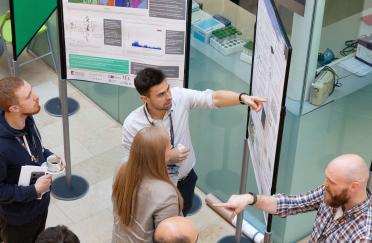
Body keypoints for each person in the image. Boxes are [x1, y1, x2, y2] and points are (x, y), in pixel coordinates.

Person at [122, 68, 265, 215]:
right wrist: (167, 157)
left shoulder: (179, 97)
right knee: (161, 230)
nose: (169, 96)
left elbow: (212, 98)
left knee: (182, 217)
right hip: (156, 187)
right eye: (161, 94)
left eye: (168, 89)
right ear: (145, 99)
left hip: (185, 180)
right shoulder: (133, 124)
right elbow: (131, 166)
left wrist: (242, 98)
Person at [215, 154, 372, 242]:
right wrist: (250, 198)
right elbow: (291, 203)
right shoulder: (331, 194)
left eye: (331, 182)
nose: (325, 185)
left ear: (354, 187)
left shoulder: (364, 235)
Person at [0, 77, 65, 243]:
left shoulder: (27, 119)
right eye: (28, 96)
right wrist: (34, 190)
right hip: (18, 219)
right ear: (14, 108)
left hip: (40, 206)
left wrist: (49, 156)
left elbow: (37, 149)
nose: (36, 96)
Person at [112, 126, 183, 242]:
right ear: (160, 155)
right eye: (169, 146)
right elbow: (166, 238)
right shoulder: (166, 195)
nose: (172, 148)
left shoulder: (121, 166)